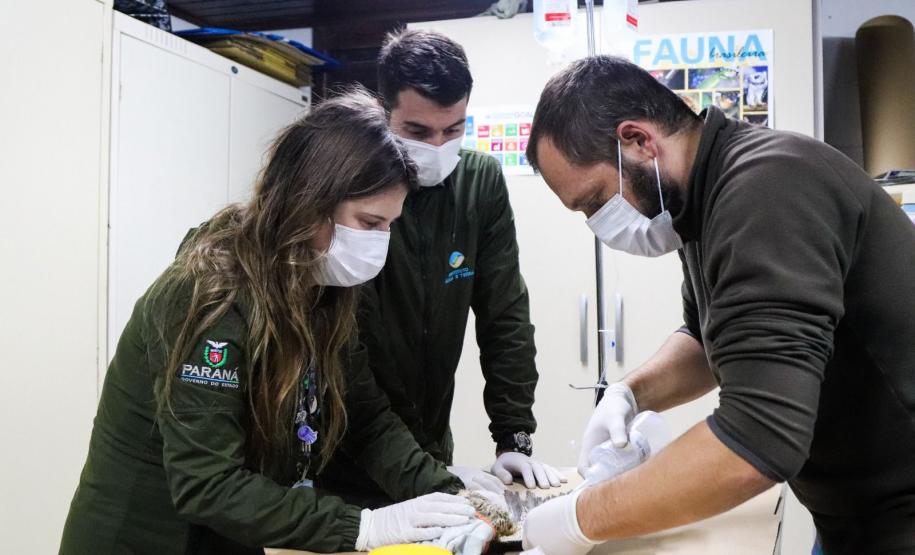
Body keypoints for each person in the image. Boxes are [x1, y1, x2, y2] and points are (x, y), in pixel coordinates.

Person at [520, 56, 915, 554]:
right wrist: (630, 394)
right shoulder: (704, 203)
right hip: (853, 510)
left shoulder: (767, 190)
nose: (599, 223)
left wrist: (582, 517)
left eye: (596, 201)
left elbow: (759, 438)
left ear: (638, 141)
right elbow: (708, 338)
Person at [59, 90, 480, 555]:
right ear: (309, 204)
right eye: (369, 223)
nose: (381, 243)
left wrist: (448, 492)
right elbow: (207, 484)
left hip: (230, 536)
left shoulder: (323, 288)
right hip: (144, 538)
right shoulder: (210, 296)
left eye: (389, 226)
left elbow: (365, 417)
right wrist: (363, 527)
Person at [318, 29, 564, 504]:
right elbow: (346, 348)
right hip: (342, 447)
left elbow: (505, 315)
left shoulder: (479, 184)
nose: (437, 147)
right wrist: (413, 468)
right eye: (417, 132)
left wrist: (514, 434)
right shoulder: (354, 184)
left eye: (453, 130)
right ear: (384, 111)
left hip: (431, 444)